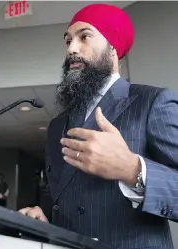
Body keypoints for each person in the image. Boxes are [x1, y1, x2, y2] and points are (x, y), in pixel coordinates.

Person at [19, 4, 178, 249]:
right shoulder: (57, 125)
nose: (72, 48)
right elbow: (61, 194)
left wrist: (133, 170)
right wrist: (45, 213)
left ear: (112, 47)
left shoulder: (153, 102)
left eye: (85, 37)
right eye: (68, 40)